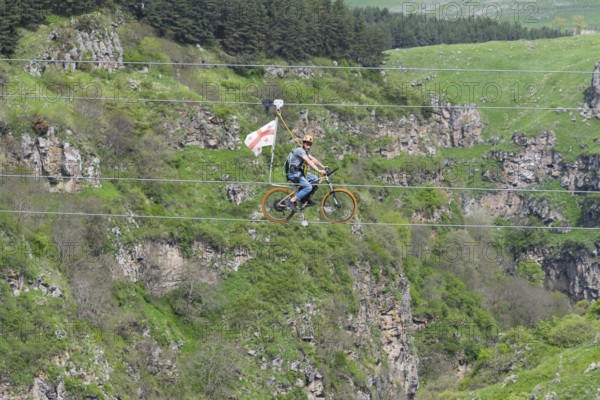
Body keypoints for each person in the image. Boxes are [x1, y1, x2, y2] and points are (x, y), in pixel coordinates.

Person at [286, 134, 327, 212]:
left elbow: (313, 159)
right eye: (307, 144)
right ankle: (291, 201)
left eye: (310, 145)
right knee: (308, 187)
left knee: (315, 178)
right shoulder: (300, 150)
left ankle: (304, 198)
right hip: (293, 174)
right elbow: (309, 162)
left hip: (298, 173)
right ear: (303, 143)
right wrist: (319, 171)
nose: (308, 146)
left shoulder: (305, 152)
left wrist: (323, 166)